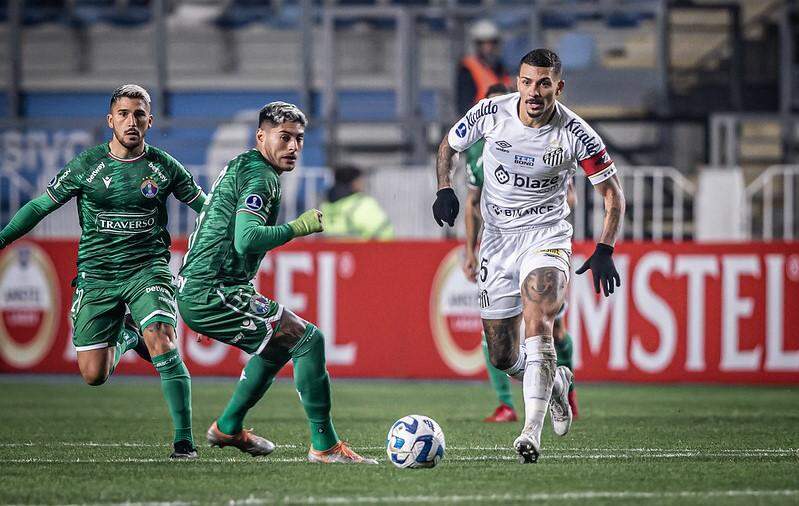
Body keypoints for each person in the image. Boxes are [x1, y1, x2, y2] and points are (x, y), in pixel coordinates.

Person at [434, 49, 625, 463]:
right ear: (518, 82)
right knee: (502, 354)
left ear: (558, 86)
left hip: (547, 237)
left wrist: (605, 248)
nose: (533, 92)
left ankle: (530, 432)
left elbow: (612, 195)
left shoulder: (576, 133)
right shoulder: (490, 114)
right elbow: (448, 146)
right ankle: (555, 384)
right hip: (498, 243)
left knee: (540, 319)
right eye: (526, 82)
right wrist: (443, 188)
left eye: (543, 83)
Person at [0, 84, 206, 459]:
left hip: (149, 269)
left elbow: (208, 212)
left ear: (150, 121)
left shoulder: (165, 167)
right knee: (94, 374)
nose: (132, 121)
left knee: (162, 338)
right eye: (124, 114)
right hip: (97, 275)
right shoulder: (86, 166)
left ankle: (184, 442)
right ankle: (128, 337)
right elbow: (39, 206)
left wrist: (224, 249)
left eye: (139, 114)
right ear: (110, 120)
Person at [176, 101, 377, 464]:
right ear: (261, 137)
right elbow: (246, 239)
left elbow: (213, 227)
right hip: (212, 290)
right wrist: (297, 228)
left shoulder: (242, 166)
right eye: (284, 138)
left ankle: (228, 426)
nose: (293, 147)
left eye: (299, 139)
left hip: (210, 288)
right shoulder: (261, 177)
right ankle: (325, 446)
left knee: (276, 346)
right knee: (307, 339)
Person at [462, 83, 580, 423]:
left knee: (550, 330)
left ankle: (565, 392)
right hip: (499, 250)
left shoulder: (550, 140)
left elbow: (569, 197)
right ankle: (507, 403)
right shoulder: (477, 153)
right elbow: (472, 202)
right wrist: (471, 250)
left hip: (541, 244)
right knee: (498, 335)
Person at [320, 165, 394, 240]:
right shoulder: (363, 203)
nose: (363, 183)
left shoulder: (325, 206)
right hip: (364, 250)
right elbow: (382, 231)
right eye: (361, 180)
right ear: (354, 183)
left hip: (330, 250)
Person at [456, 19, 512, 115]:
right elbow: (464, 103)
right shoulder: (467, 69)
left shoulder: (501, 67)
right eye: (483, 43)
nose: (488, 47)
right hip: (480, 119)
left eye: (492, 43)